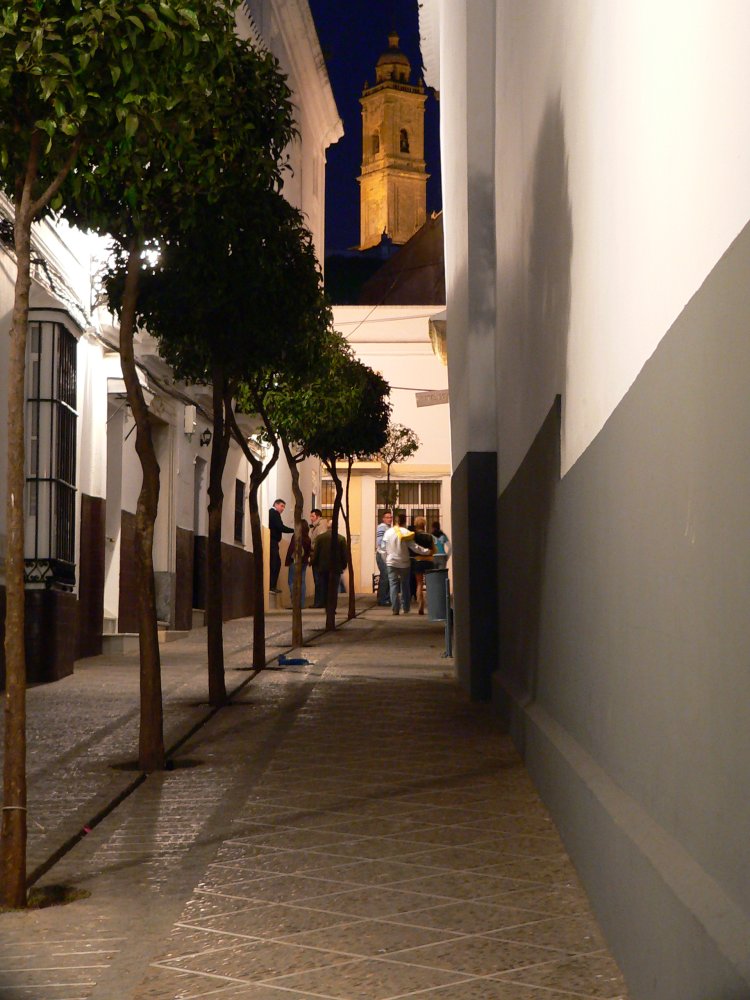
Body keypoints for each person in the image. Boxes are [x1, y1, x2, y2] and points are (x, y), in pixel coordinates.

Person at [383, 513, 431, 615]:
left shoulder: (388, 532)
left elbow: (383, 548)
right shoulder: (406, 533)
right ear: (404, 522)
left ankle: (395, 609)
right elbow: (414, 547)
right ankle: (405, 608)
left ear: (395, 521)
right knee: (405, 585)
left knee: (393, 585)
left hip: (391, 562)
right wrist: (427, 551)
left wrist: (386, 559)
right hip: (404, 563)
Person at [311, 520, 348, 608]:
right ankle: (332, 606)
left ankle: (324, 604)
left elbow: (316, 553)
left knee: (323, 587)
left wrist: (314, 563)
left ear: (328, 527)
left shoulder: (320, 538)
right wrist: (343, 565)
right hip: (336, 568)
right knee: (334, 589)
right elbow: (344, 554)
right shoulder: (341, 538)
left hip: (323, 567)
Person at [411, 516, 436, 615]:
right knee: (430, 584)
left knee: (419, 584)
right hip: (429, 561)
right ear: (424, 525)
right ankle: (431, 606)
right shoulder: (429, 536)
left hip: (418, 561)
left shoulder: (414, 536)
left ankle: (420, 605)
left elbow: (412, 548)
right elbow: (434, 550)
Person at [285, 519, 311, 608]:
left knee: (292, 581)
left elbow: (291, 549)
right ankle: (302, 604)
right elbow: (308, 552)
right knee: (302, 582)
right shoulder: (308, 538)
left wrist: (288, 560)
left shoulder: (296, 536)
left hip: (295, 561)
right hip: (304, 562)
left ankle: (295, 603)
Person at [268, 498, 293, 593]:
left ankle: (272, 586)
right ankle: (271, 586)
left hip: (273, 542)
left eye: (284, 507)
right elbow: (280, 527)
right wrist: (294, 530)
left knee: (276, 563)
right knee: (275, 563)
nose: (283, 509)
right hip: (272, 542)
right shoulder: (274, 513)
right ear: (276, 504)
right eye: (282, 506)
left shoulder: (273, 513)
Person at [309, 508, 326, 607]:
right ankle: (319, 602)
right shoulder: (317, 526)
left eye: (312, 516)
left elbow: (319, 543)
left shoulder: (320, 527)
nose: (311, 518)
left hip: (318, 557)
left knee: (318, 580)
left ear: (318, 517)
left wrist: (311, 548)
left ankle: (319, 603)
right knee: (319, 581)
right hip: (318, 556)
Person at [375, 510, 393, 605]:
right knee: (385, 576)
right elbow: (380, 542)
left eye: (390, 517)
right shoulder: (382, 527)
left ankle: (382, 597)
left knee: (384, 576)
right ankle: (383, 599)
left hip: (385, 555)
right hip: (382, 554)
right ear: (383, 519)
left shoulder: (388, 528)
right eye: (387, 517)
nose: (389, 519)